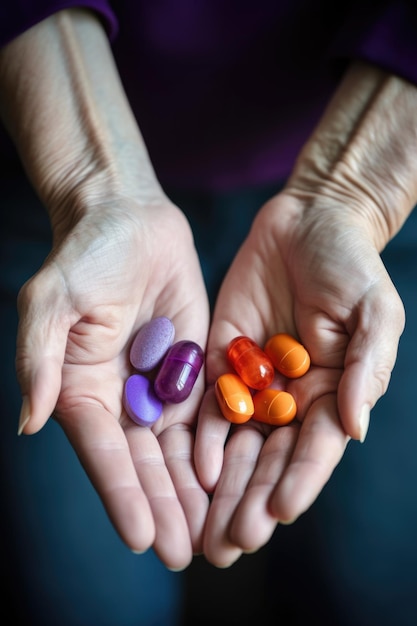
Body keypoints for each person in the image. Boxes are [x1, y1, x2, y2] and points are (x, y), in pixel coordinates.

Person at [1, 2, 417, 624]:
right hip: (54, 175)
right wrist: (96, 185)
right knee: (83, 601)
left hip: (367, 180)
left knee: (371, 584)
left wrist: (350, 194)